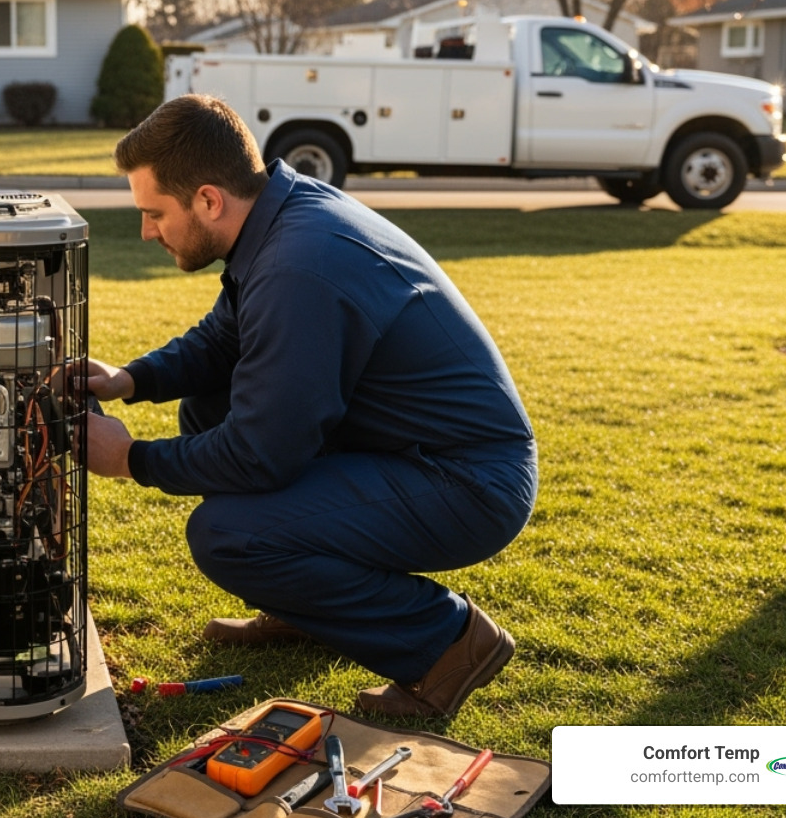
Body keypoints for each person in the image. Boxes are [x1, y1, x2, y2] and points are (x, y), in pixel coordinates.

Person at [85, 94, 537, 717]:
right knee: (209, 400)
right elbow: (225, 339)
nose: (146, 231)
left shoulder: (299, 264)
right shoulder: (281, 216)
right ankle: (308, 607)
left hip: (466, 480)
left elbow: (259, 454)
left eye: (154, 212)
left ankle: (448, 641)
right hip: (408, 450)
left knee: (229, 537)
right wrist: (127, 380)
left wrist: (129, 459)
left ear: (208, 199)